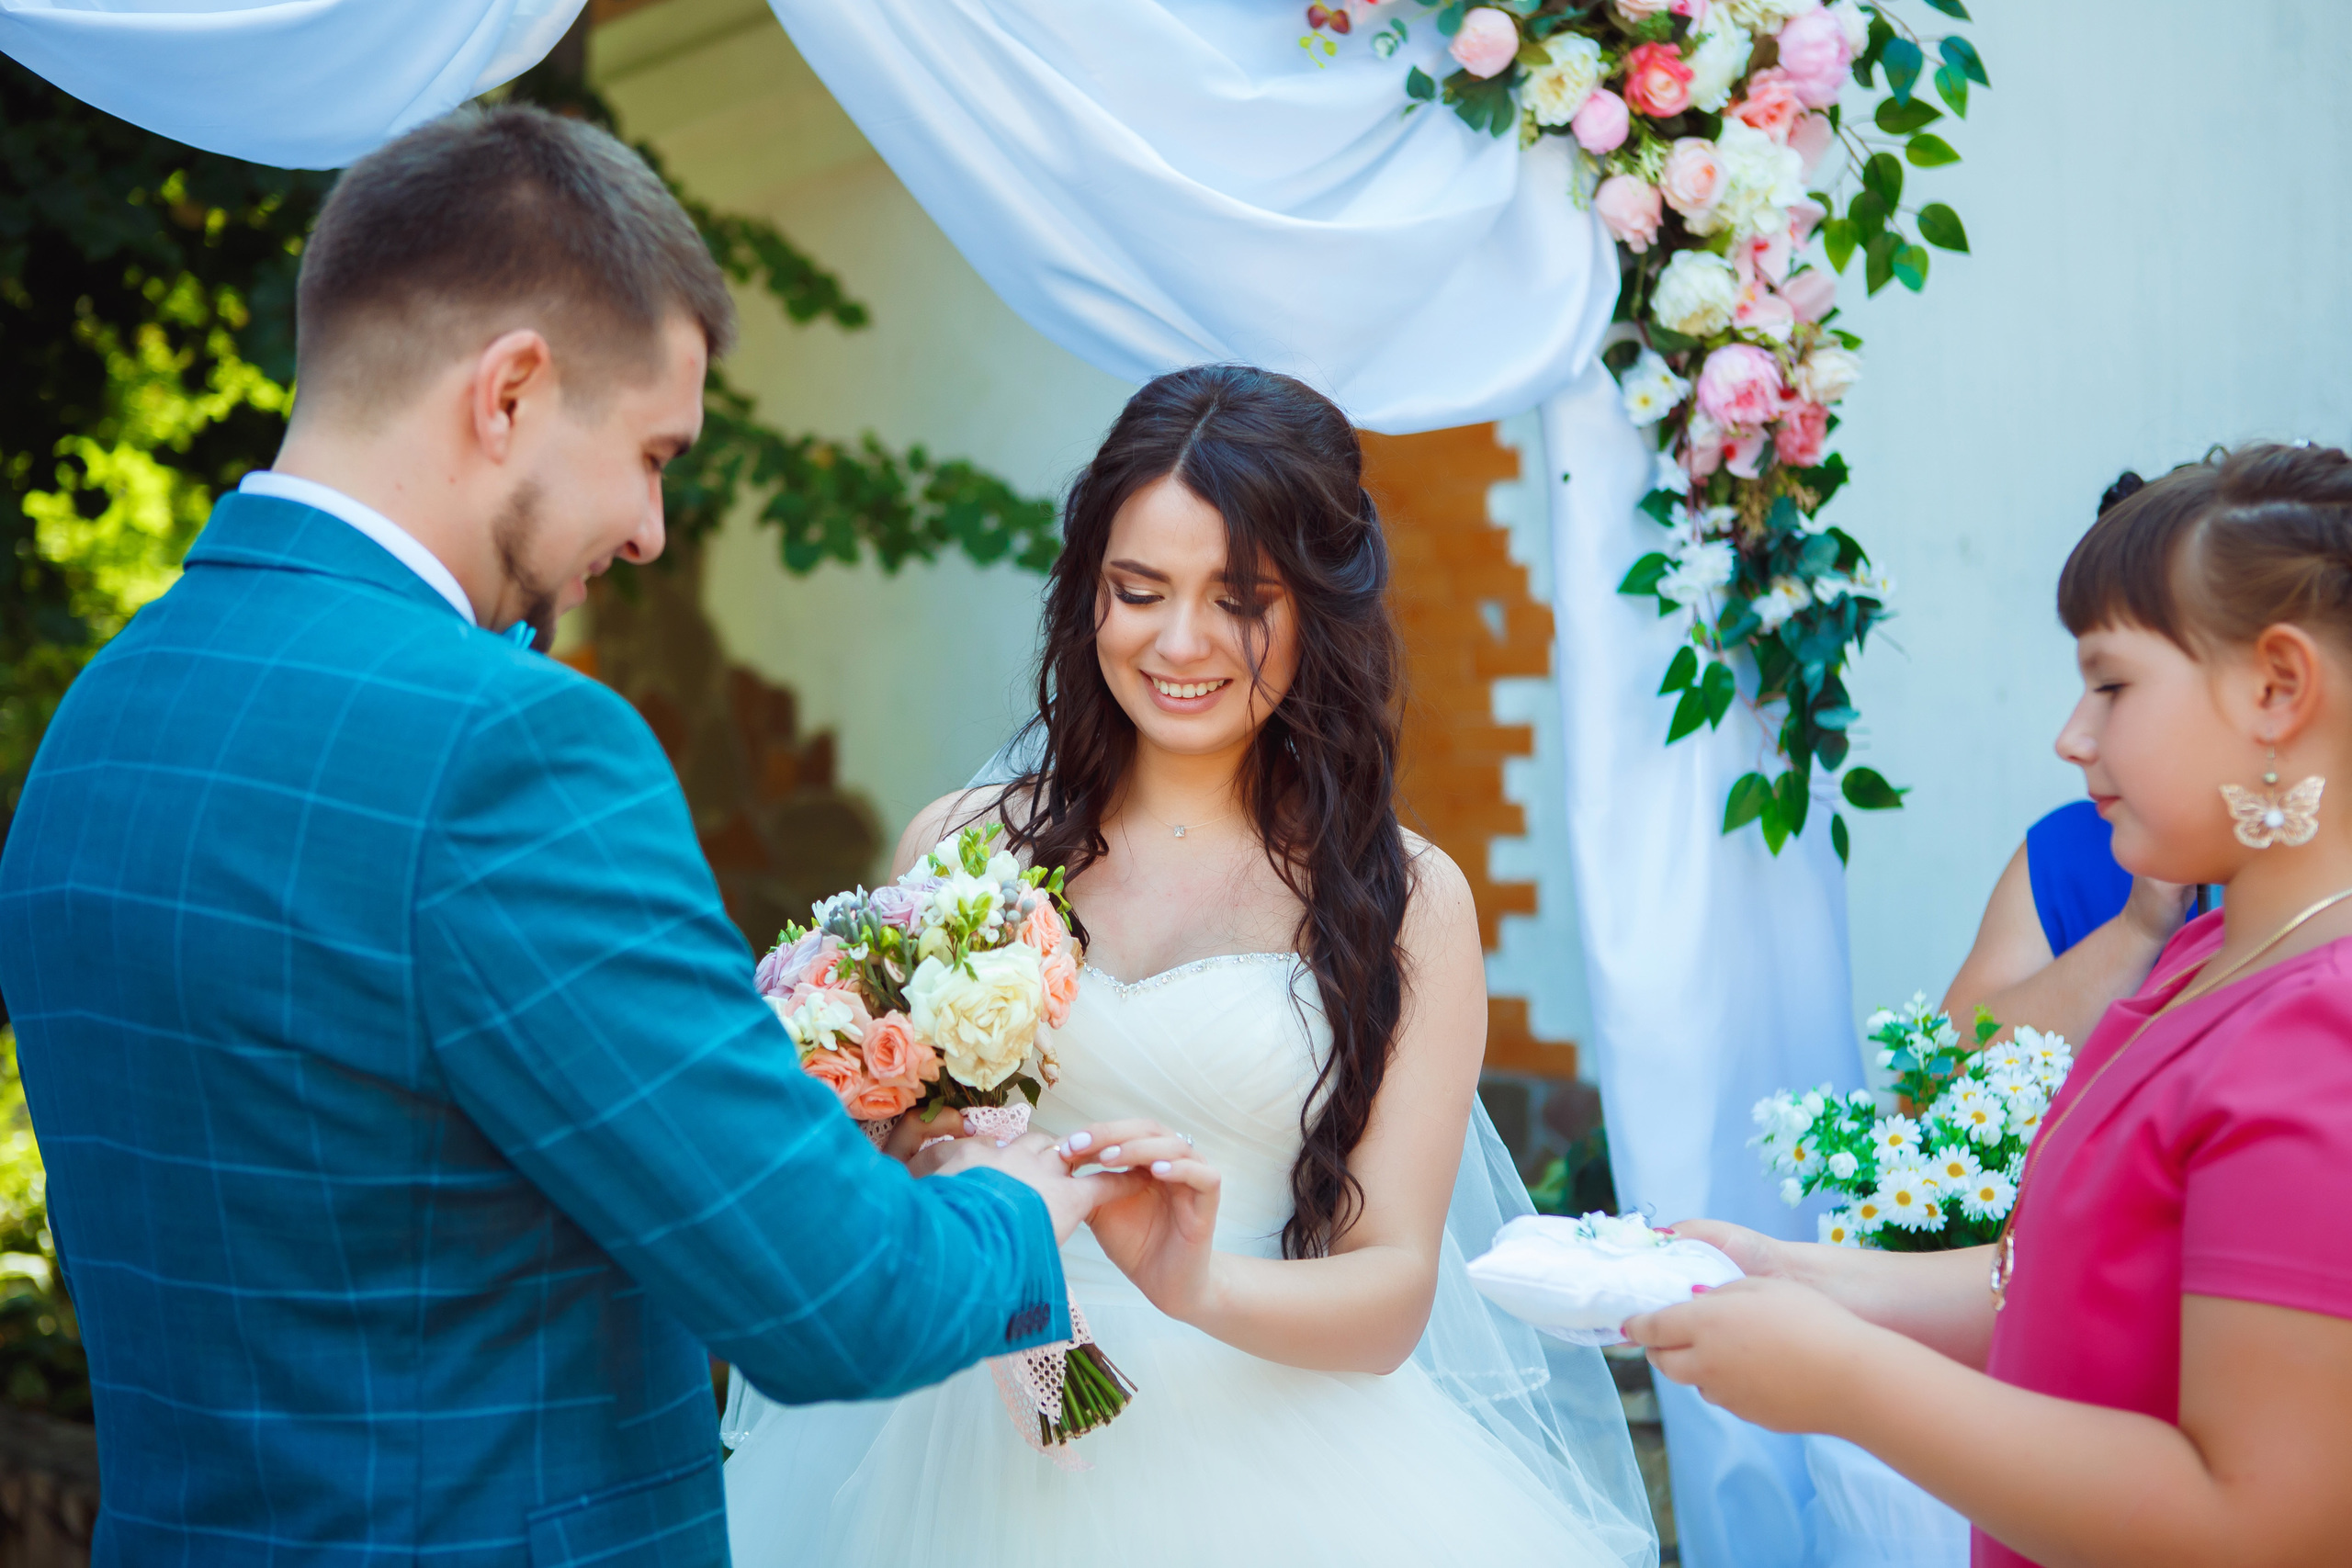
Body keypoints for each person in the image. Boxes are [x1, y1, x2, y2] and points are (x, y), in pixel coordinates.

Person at [0, 107, 1147, 1567]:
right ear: (514, 393)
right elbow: (832, 1298)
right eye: (654, 453)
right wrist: (1013, 1204)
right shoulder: (513, 745)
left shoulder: (102, 717)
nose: (654, 527)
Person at [718, 365, 1656, 1567]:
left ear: (1320, 603)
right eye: (1138, 589)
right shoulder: (962, 846)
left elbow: (1391, 1295)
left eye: (1239, 597)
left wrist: (1197, 1285)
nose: (1179, 641)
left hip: (1283, 1460)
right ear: (1086, 597)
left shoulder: (1408, 899)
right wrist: (920, 1152)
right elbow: (870, 1177)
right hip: (961, 1439)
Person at [1627, 445, 2352, 1567]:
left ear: (2275, 689)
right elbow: (2059, 1277)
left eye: (2111, 684)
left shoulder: (2324, 1029)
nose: (2073, 737)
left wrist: (1847, 1383)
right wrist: (1799, 1277)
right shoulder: (2204, 954)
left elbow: (2258, 1522)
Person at [1940, 472, 2194, 1047]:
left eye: (2114, 686)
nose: (2071, 740)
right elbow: (1926, 1090)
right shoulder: (2069, 854)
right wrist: (2139, 927)